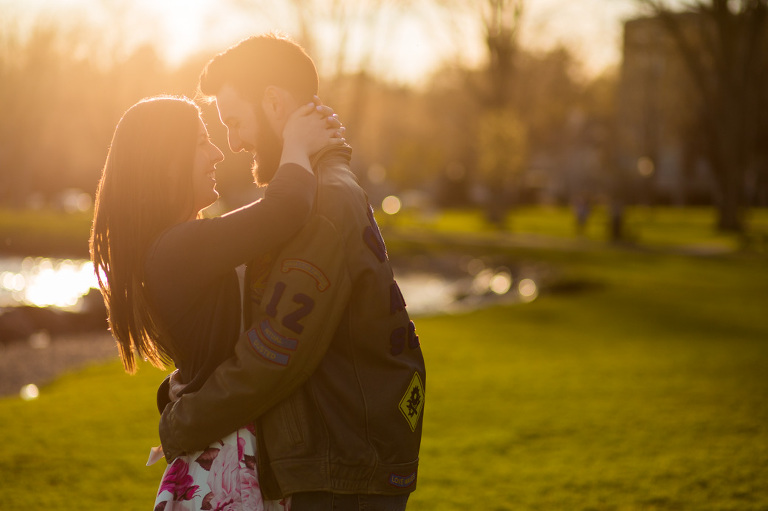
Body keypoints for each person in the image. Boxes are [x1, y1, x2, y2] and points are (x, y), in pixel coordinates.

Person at [157, 33, 427, 511]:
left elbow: (275, 351)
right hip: (348, 457)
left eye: (235, 122)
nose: (234, 142)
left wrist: (180, 424)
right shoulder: (324, 190)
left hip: (344, 468)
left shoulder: (322, 203)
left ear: (274, 103)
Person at [90, 94, 342, 510]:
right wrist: (295, 143)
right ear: (166, 160)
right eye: (201, 141)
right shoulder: (176, 249)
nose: (217, 152)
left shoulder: (175, 246)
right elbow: (284, 209)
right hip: (226, 466)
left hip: (219, 456)